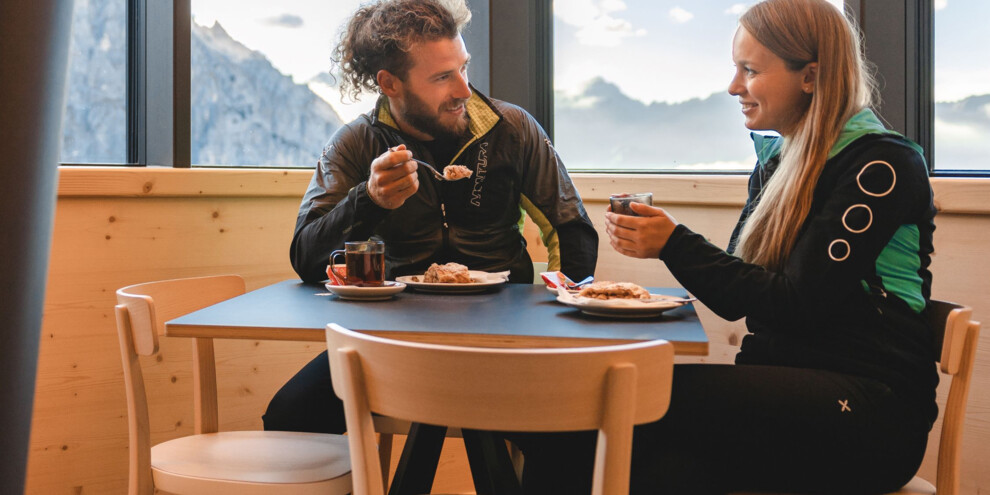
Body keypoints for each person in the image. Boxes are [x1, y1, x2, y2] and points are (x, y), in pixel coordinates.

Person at [510, 0, 938, 493]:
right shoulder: (779, 163)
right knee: (652, 471)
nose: (734, 86)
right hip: (786, 393)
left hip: (872, 411)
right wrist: (670, 245)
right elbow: (739, 297)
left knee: (602, 402)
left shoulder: (880, 166)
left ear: (810, 76)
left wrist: (675, 243)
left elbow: (798, 303)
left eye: (750, 70)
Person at [264, 0, 598, 434]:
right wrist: (368, 200)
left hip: (503, 338)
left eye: (464, 68)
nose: (463, 89)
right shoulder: (356, 143)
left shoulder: (512, 130)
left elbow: (571, 231)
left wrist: (553, 328)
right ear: (390, 83)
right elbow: (307, 258)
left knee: (567, 431)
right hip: (386, 342)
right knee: (291, 415)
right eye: (443, 77)